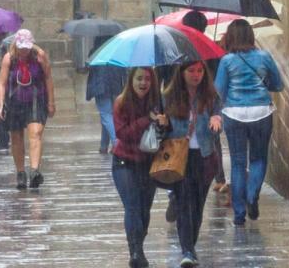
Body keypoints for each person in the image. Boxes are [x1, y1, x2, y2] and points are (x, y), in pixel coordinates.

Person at [215, 19, 284, 226]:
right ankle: (252, 195)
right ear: (250, 36)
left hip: (234, 113)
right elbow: (278, 85)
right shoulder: (264, 56)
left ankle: (239, 214)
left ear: (230, 37)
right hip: (261, 111)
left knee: (237, 163)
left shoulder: (226, 61)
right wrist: (264, 82)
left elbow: (219, 90)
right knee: (258, 158)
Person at [164, 61, 223, 267]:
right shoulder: (169, 97)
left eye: (200, 70)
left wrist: (217, 120)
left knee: (197, 205)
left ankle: (190, 246)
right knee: (184, 203)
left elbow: (218, 120)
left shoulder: (211, 96)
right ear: (181, 73)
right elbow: (162, 128)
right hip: (179, 157)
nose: (196, 75)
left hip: (205, 156)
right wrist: (162, 123)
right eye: (191, 71)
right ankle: (187, 250)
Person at [112, 67, 167, 268]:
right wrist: (147, 120)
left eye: (147, 79)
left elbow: (164, 135)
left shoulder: (158, 102)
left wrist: (163, 123)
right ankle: (135, 251)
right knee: (133, 206)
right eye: (139, 78)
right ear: (131, 80)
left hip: (148, 163)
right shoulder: (121, 102)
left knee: (144, 209)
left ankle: (138, 244)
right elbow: (123, 134)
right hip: (124, 162)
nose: (143, 83)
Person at [0, 29, 55, 189]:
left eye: (27, 47)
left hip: (36, 98)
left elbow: (48, 78)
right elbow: (1, 83)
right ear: (16, 45)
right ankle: (21, 173)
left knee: (35, 134)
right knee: (16, 137)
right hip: (15, 100)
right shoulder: (9, 58)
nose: (24, 51)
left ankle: (34, 171)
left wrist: (51, 102)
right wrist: (1, 104)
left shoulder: (40, 56)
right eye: (21, 47)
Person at [180, 10, 229, 194]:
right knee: (212, 137)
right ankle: (219, 177)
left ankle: (178, 171)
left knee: (184, 135)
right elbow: (218, 74)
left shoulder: (179, 47)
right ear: (204, 26)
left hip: (186, 96)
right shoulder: (210, 47)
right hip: (207, 97)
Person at [86, 65, 126, 154]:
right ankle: (103, 146)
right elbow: (124, 71)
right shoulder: (116, 57)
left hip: (101, 87)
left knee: (106, 115)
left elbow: (89, 69)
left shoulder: (97, 57)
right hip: (116, 86)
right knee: (107, 116)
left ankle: (116, 143)